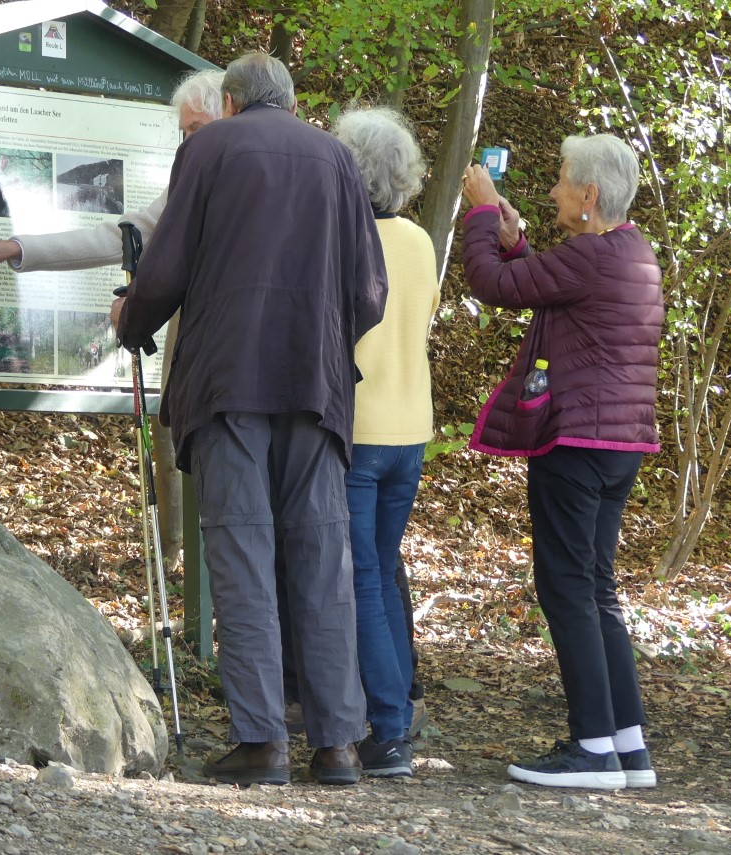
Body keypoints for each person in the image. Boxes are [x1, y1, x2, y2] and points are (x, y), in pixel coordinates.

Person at [112, 52, 388, 787]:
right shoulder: (336, 159)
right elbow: (368, 291)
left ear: (229, 103)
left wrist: (131, 318)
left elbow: (165, 268)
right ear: (291, 103)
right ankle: (338, 744)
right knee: (322, 557)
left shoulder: (208, 149)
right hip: (318, 384)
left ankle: (262, 739)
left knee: (241, 551)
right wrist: (323, 340)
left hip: (230, 379)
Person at [461, 134, 663, 790]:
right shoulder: (628, 252)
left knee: (567, 588)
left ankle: (591, 750)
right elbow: (545, 286)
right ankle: (626, 745)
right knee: (595, 586)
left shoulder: (591, 257)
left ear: (589, 195)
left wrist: (484, 214)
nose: (551, 190)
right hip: (620, 444)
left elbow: (492, 284)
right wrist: (517, 240)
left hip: (576, 441)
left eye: (559, 180)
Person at [331, 106, 440, 778]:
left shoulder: (345, 238)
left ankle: (389, 728)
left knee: (365, 577)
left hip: (361, 425)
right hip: (412, 429)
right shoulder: (421, 240)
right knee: (382, 567)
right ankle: (397, 714)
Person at [0, 70, 225, 276]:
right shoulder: (191, 183)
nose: (188, 143)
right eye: (185, 132)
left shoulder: (257, 185)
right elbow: (119, 238)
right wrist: (15, 248)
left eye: (196, 129)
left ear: (229, 116)